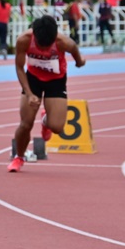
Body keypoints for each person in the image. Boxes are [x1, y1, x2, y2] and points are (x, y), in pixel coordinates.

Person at [8, 14, 85, 173]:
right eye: (40, 46)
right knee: (25, 124)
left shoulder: (64, 42)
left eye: (47, 46)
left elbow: (76, 53)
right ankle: (19, 157)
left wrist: (79, 62)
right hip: (33, 79)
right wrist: (29, 93)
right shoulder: (24, 40)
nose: (43, 50)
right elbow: (19, 68)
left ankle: (45, 120)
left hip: (55, 81)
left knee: (56, 127)